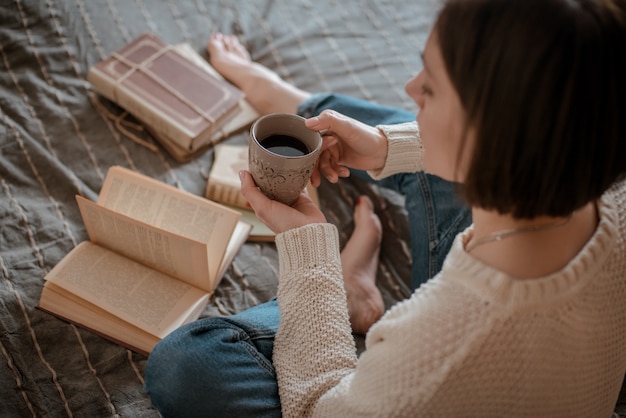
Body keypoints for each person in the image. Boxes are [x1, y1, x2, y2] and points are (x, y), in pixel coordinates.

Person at [144, 0, 626, 416]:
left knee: (187, 364)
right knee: (402, 134)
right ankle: (296, 103)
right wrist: (383, 148)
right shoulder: (604, 179)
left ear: (497, 141)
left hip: (451, 357)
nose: (410, 87)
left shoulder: (440, 350)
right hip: (535, 271)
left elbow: (318, 408)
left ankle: (346, 293)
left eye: (431, 87)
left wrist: (310, 251)